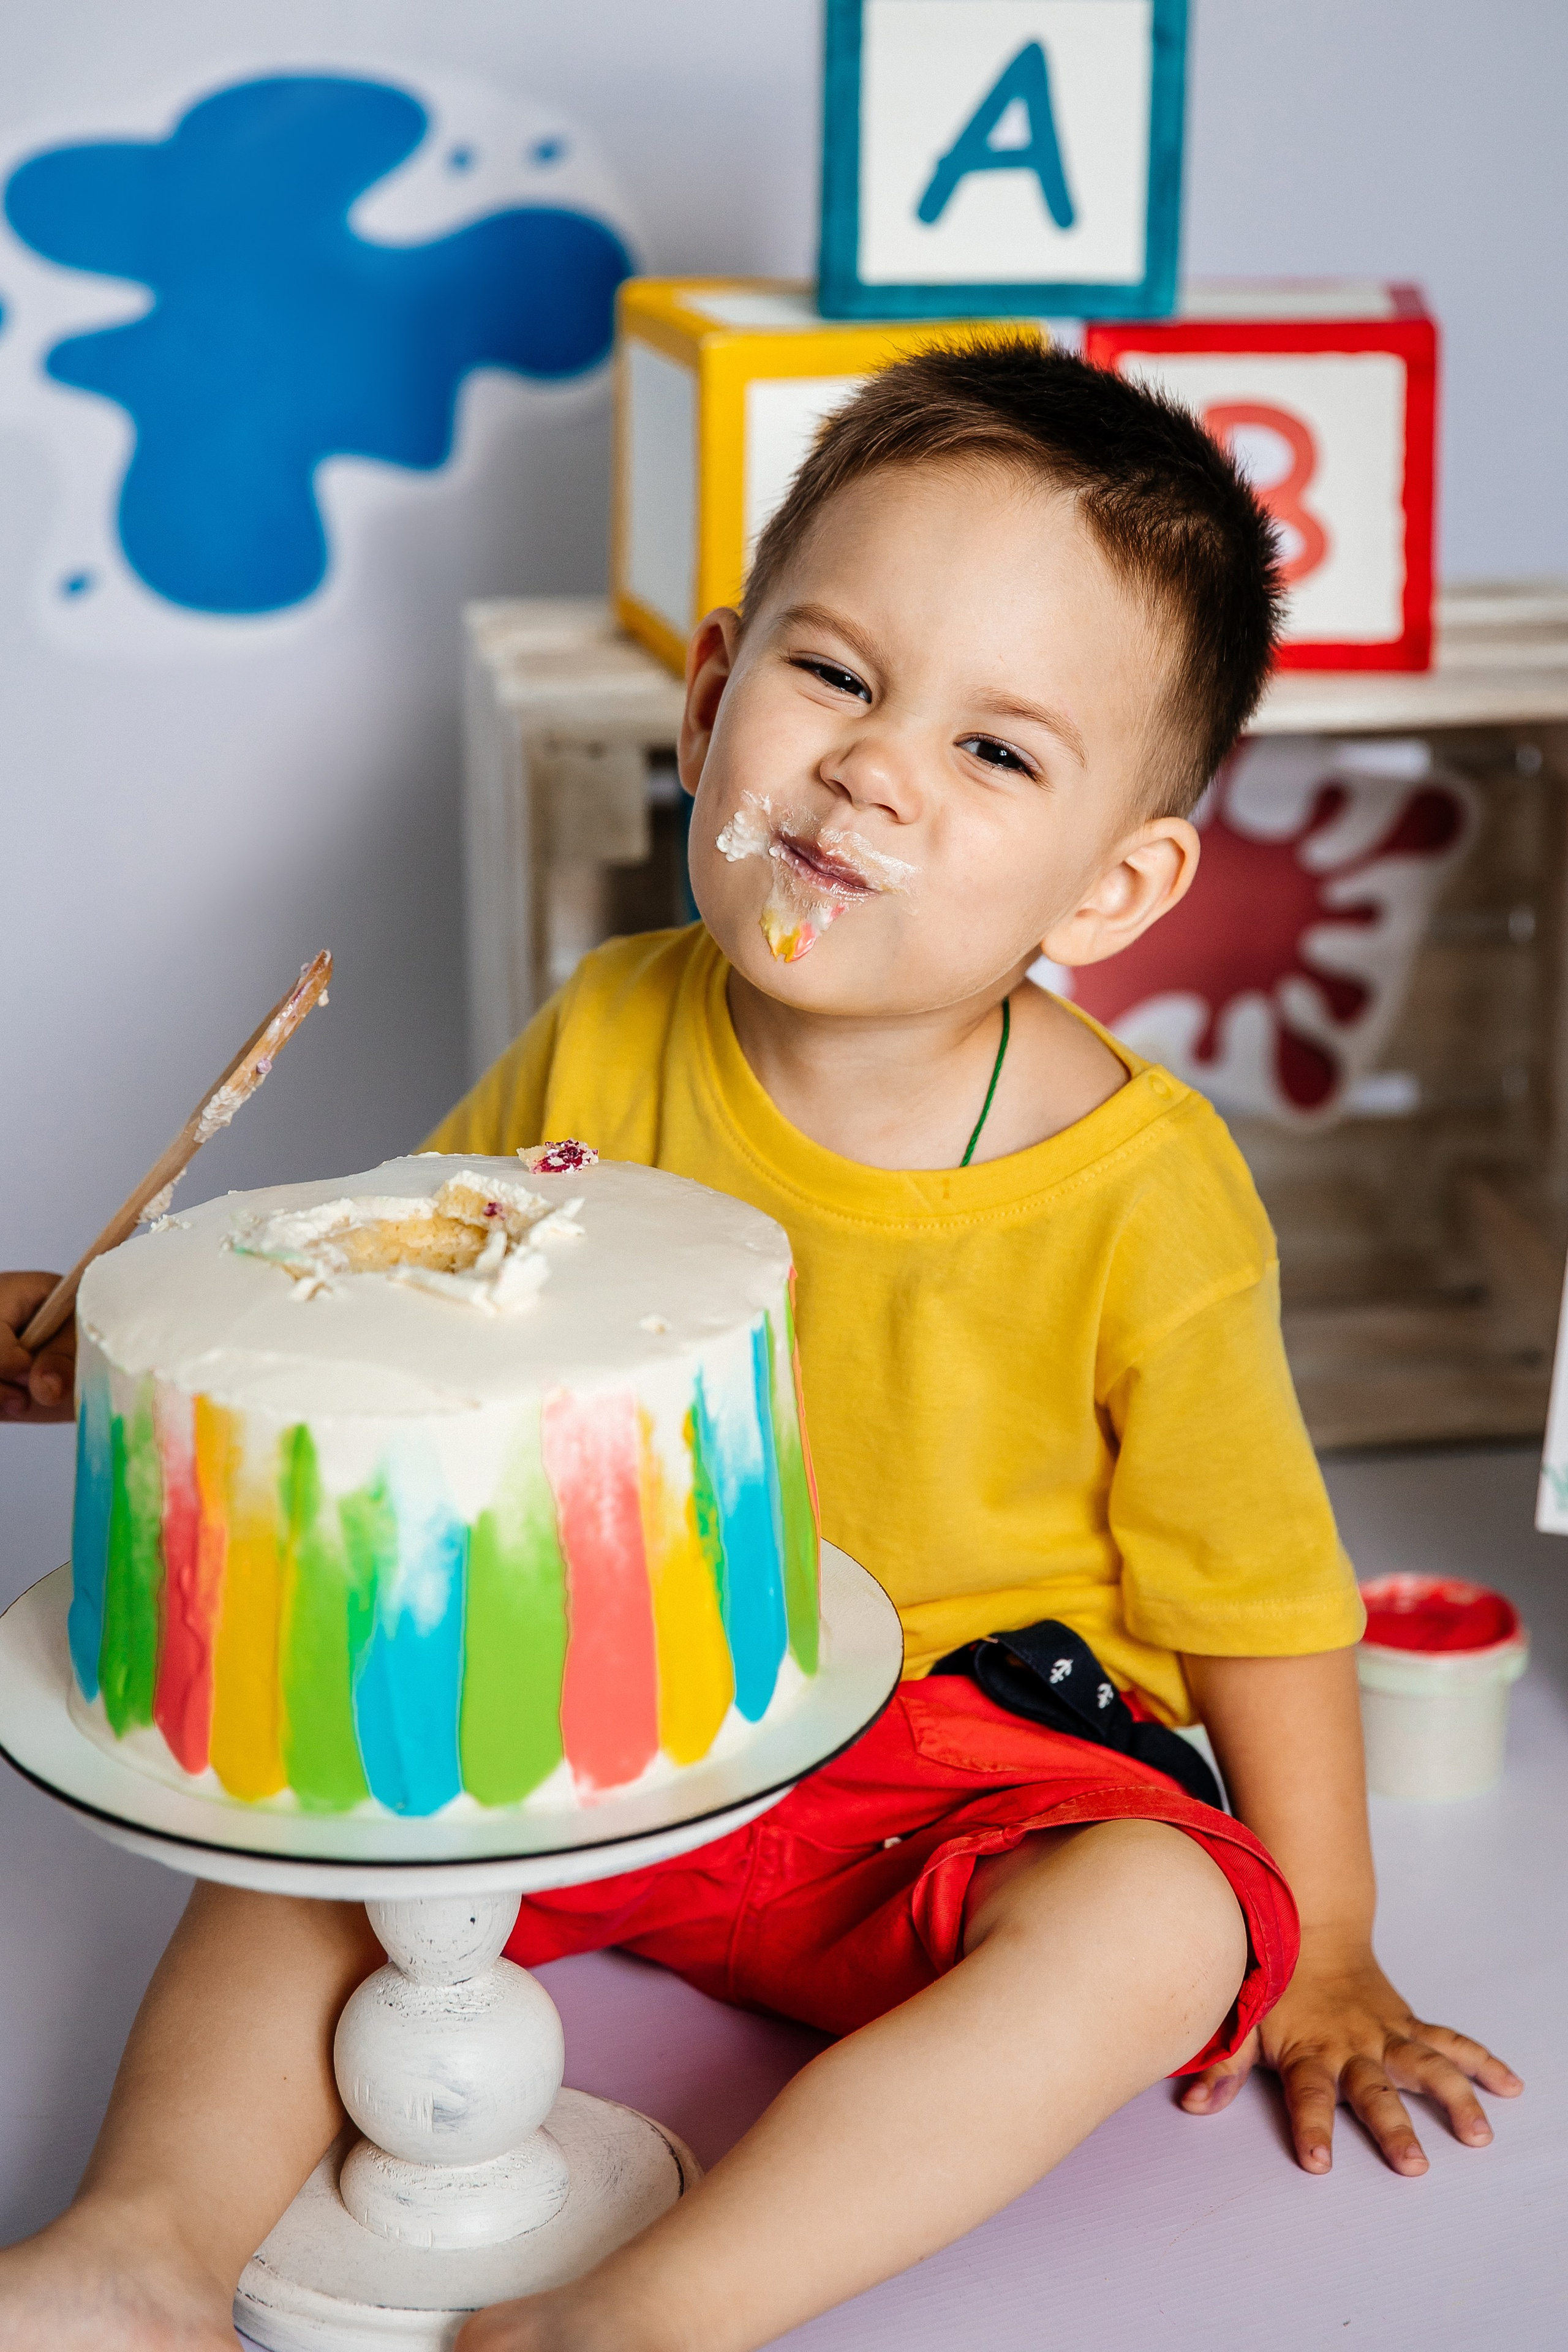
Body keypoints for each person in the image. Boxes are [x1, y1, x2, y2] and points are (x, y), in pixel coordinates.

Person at [0, 341, 1520, 2352]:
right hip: (623, 1680)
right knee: (313, 1818)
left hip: (955, 1759)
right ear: (712, 694)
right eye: (837, 677)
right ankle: (142, 2251)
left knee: (1161, 1922)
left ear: (1121, 881)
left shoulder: (1141, 1186)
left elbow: (1256, 1585)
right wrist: (115, 1349)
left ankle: (654, 2312)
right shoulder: (611, 1023)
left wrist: (1325, 1932)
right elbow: (415, 1325)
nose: (878, 770)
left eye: (999, 755)